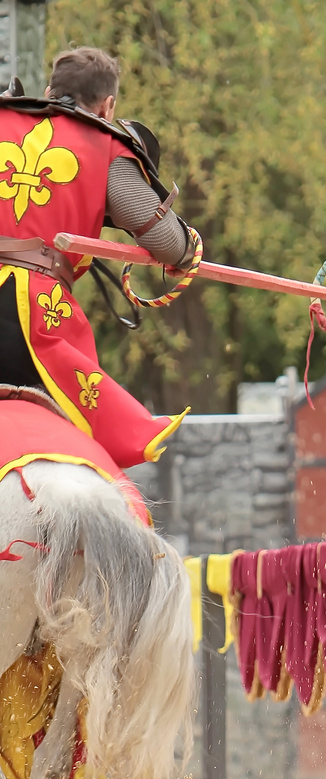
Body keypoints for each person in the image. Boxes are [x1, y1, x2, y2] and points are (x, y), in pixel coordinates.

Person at [0, 46, 196, 468]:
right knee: (93, 449)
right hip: (33, 324)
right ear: (108, 107)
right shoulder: (104, 144)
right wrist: (190, 245)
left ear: (49, 90)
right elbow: (168, 244)